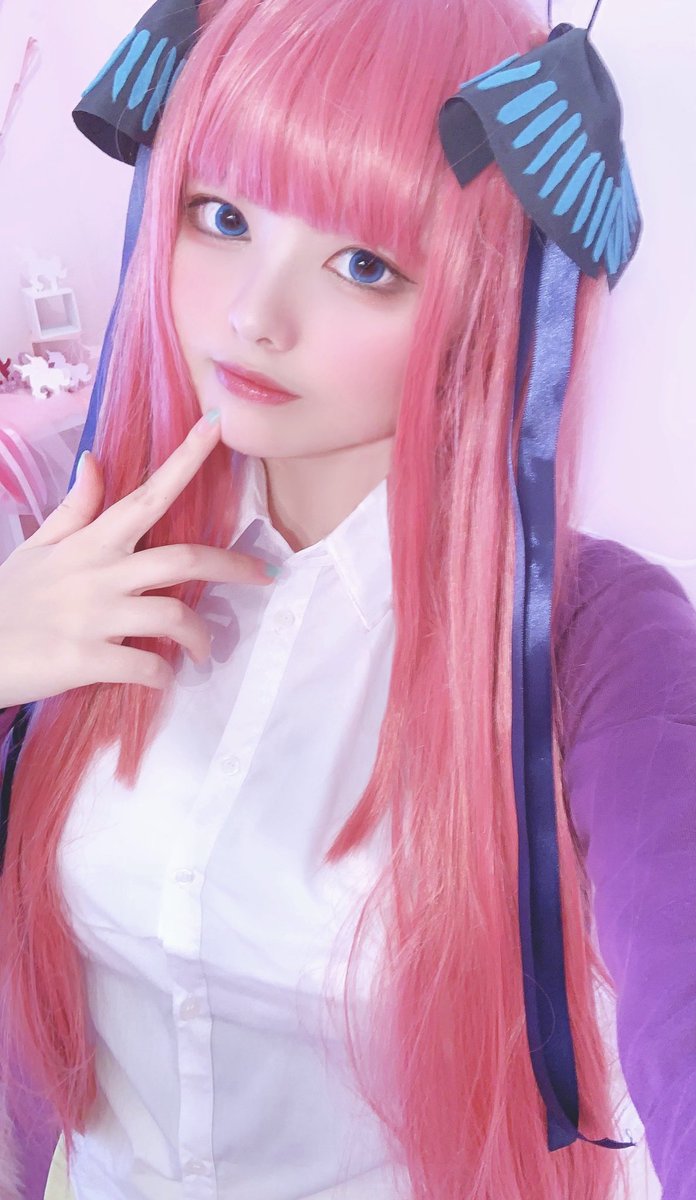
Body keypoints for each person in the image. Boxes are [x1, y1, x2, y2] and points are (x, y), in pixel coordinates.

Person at [0, 0, 695, 1197]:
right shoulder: (84, 544)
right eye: (223, 217)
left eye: (364, 265)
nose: (252, 315)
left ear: (482, 301)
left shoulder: (590, 642)